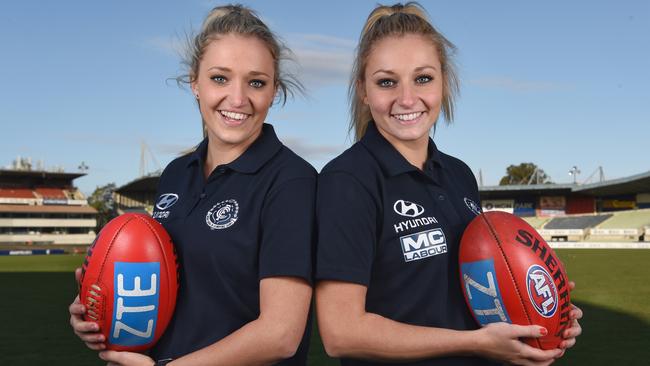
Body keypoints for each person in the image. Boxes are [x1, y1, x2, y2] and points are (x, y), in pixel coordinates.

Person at [315, 3, 582, 366]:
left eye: (422, 78)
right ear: (363, 90)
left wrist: (545, 312)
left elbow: (480, 292)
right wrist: (474, 343)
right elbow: (341, 332)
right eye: (386, 82)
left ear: (444, 81)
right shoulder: (347, 181)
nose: (407, 99)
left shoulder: (459, 174)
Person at [69, 4, 316, 365]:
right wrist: (99, 310)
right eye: (220, 78)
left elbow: (280, 334)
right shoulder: (176, 173)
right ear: (194, 82)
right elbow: (165, 291)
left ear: (274, 90)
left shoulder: (292, 181)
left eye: (256, 82)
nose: (237, 99)